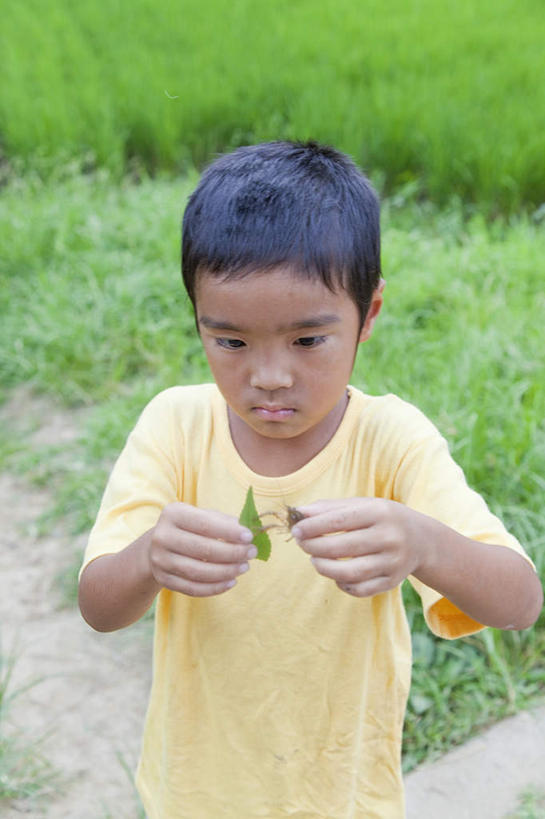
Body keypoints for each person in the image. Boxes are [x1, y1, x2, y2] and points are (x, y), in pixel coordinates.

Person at [78, 140, 542, 819]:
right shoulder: (175, 428)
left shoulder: (389, 442)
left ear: (368, 315)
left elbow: (519, 600)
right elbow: (98, 605)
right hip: (195, 796)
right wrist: (149, 555)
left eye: (306, 340)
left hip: (345, 798)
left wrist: (423, 543)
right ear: (198, 320)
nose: (268, 376)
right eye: (230, 341)